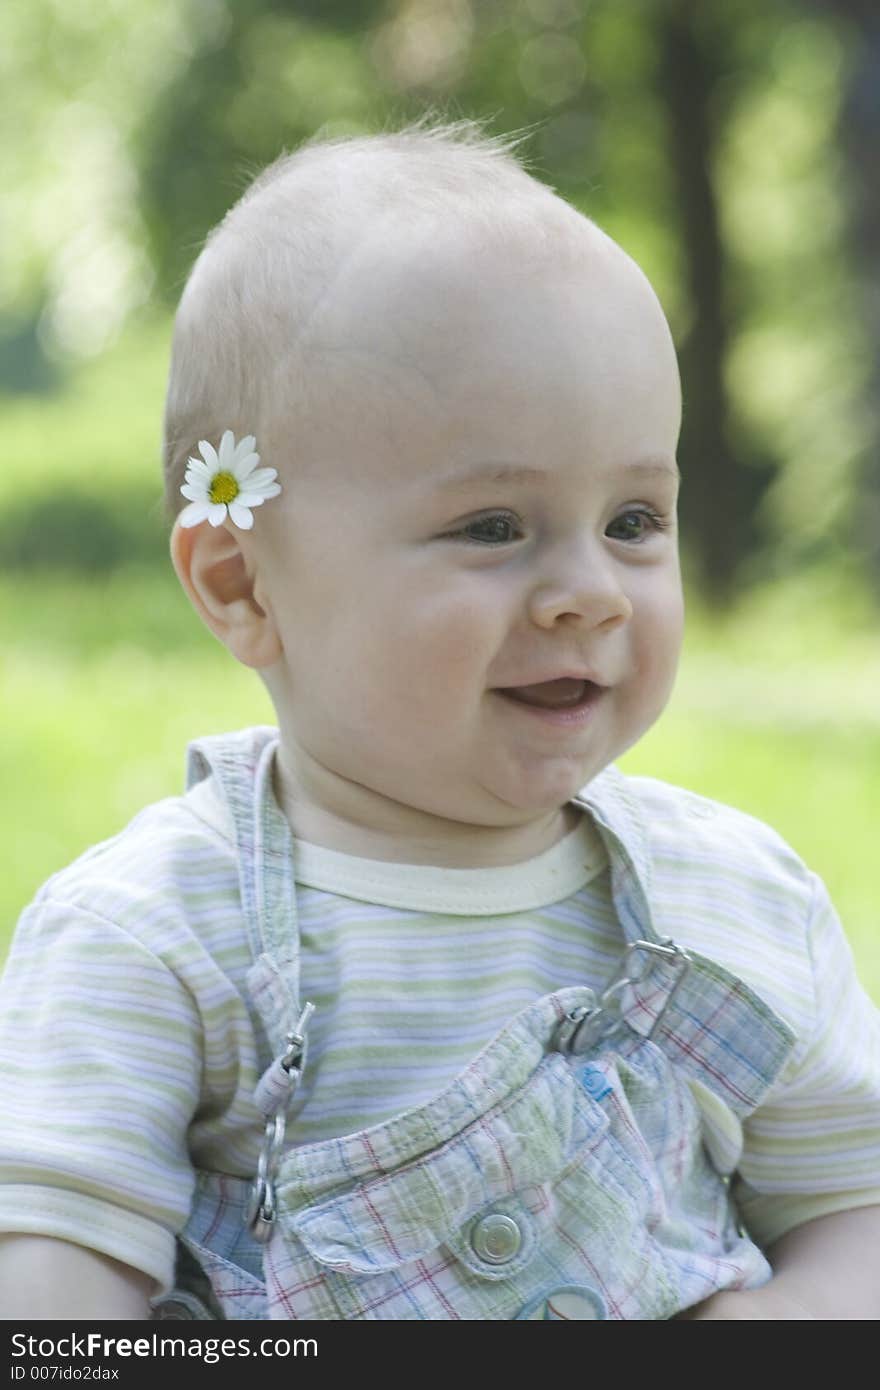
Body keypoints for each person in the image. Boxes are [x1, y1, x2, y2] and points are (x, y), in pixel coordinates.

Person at [1, 121, 878, 1322]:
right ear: (242, 584)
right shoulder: (156, 938)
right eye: (492, 526)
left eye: (632, 519)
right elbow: (54, 1301)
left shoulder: (731, 905)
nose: (591, 590)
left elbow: (854, 1210)